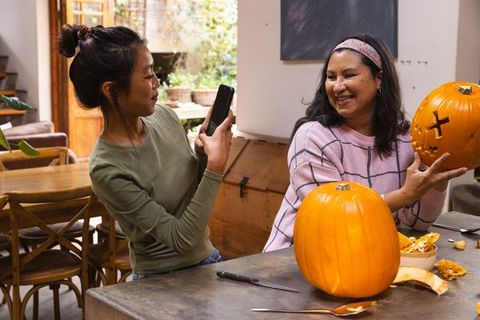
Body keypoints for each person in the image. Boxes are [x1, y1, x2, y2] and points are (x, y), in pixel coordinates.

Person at [58, 24, 233, 278]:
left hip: (208, 259)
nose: (156, 83)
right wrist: (216, 169)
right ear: (111, 90)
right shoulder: (107, 168)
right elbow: (180, 238)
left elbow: (192, 193)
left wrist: (204, 155)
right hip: (158, 281)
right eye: (147, 75)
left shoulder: (165, 116)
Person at [264, 35, 467, 252]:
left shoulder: (406, 137)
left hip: (369, 253)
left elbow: (416, 223)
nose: (337, 86)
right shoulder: (312, 138)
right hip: (297, 259)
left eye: (349, 75)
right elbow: (334, 215)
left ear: (378, 79)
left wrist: (438, 177)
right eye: (331, 77)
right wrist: (405, 194)